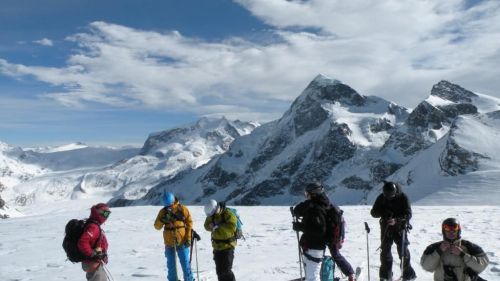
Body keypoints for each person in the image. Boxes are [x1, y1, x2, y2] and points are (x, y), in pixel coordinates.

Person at [370, 181, 416, 281]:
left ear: (395, 192)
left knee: (403, 252)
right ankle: (385, 276)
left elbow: (408, 214)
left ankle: (408, 275)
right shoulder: (382, 197)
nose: (388, 198)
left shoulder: (403, 197)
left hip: (400, 228)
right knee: (385, 251)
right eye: (386, 195)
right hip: (386, 227)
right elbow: (373, 212)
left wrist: (397, 220)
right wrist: (383, 212)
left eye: (391, 196)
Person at [421, 218, 489, 281]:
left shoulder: (469, 247)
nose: (451, 231)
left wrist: (463, 254)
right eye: (447, 228)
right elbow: (426, 267)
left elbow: (482, 266)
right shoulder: (434, 247)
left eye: (454, 228)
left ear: (458, 230)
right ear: (443, 230)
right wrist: (439, 251)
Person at [291, 182, 331, 281]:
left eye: (307, 193)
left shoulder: (316, 209)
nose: (306, 196)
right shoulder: (317, 204)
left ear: (313, 194)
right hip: (312, 246)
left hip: (315, 247)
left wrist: (301, 227)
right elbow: (298, 210)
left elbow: (319, 230)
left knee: (312, 277)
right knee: (311, 276)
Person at [154, 192, 194, 281]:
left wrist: (188, 238)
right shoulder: (163, 212)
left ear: (173, 201)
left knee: (186, 265)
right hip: (169, 243)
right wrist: (162, 220)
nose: (169, 207)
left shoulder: (182, 209)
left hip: (182, 242)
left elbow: (189, 224)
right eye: (167, 206)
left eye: (170, 205)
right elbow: (157, 226)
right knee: (171, 268)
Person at [204, 199, 237, 281]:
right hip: (217, 247)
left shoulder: (227, 214)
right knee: (219, 272)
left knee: (226, 270)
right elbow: (206, 225)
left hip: (228, 246)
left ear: (216, 208)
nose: (211, 215)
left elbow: (232, 227)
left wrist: (219, 226)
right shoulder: (211, 215)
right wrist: (210, 226)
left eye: (212, 213)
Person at [77, 203, 111, 281]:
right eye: (105, 213)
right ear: (98, 212)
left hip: (94, 262)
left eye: (108, 214)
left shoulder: (93, 224)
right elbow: (82, 242)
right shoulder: (93, 227)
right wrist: (92, 254)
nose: (106, 216)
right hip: (92, 263)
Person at [326, 203, 357, 281]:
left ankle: (350, 273)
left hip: (330, 235)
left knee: (334, 255)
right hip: (333, 236)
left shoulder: (327, 210)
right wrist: (341, 239)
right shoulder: (334, 211)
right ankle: (350, 274)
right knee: (336, 255)